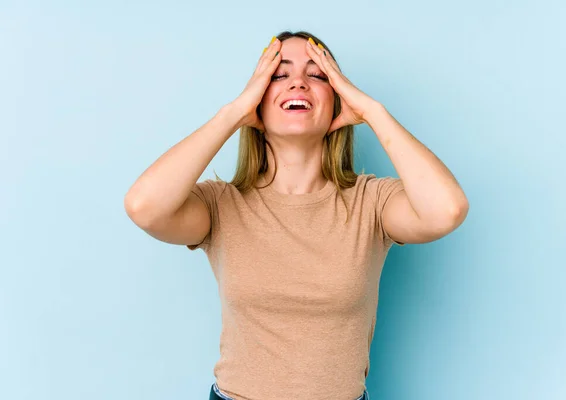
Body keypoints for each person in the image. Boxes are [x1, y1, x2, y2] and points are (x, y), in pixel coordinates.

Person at [124, 30, 469, 400]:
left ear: (337, 100)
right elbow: (144, 206)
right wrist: (232, 114)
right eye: (278, 74)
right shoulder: (221, 205)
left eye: (318, 75)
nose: (298, 83)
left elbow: (446, 211)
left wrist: (373, 112)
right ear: (257, 98)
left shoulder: (372, 202)